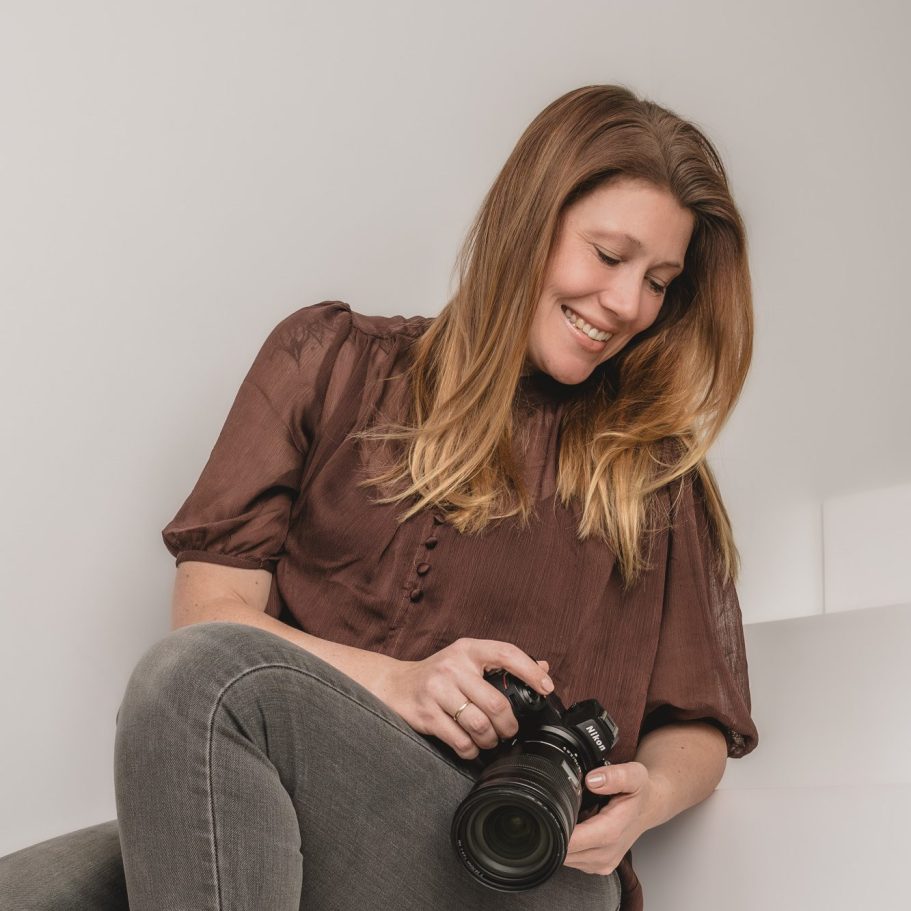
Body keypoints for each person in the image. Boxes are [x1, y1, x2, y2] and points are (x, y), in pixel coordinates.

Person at [0, 83, 758, 911]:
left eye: (658, 282)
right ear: (528, 223)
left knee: (196, 681)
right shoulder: (327, 362)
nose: (627, 304)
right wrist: (399, 683)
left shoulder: (653, 473)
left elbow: (696, 725)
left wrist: (648, 795)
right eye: (609, 257)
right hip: (299, 818)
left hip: (520, 865)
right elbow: (209, 612)